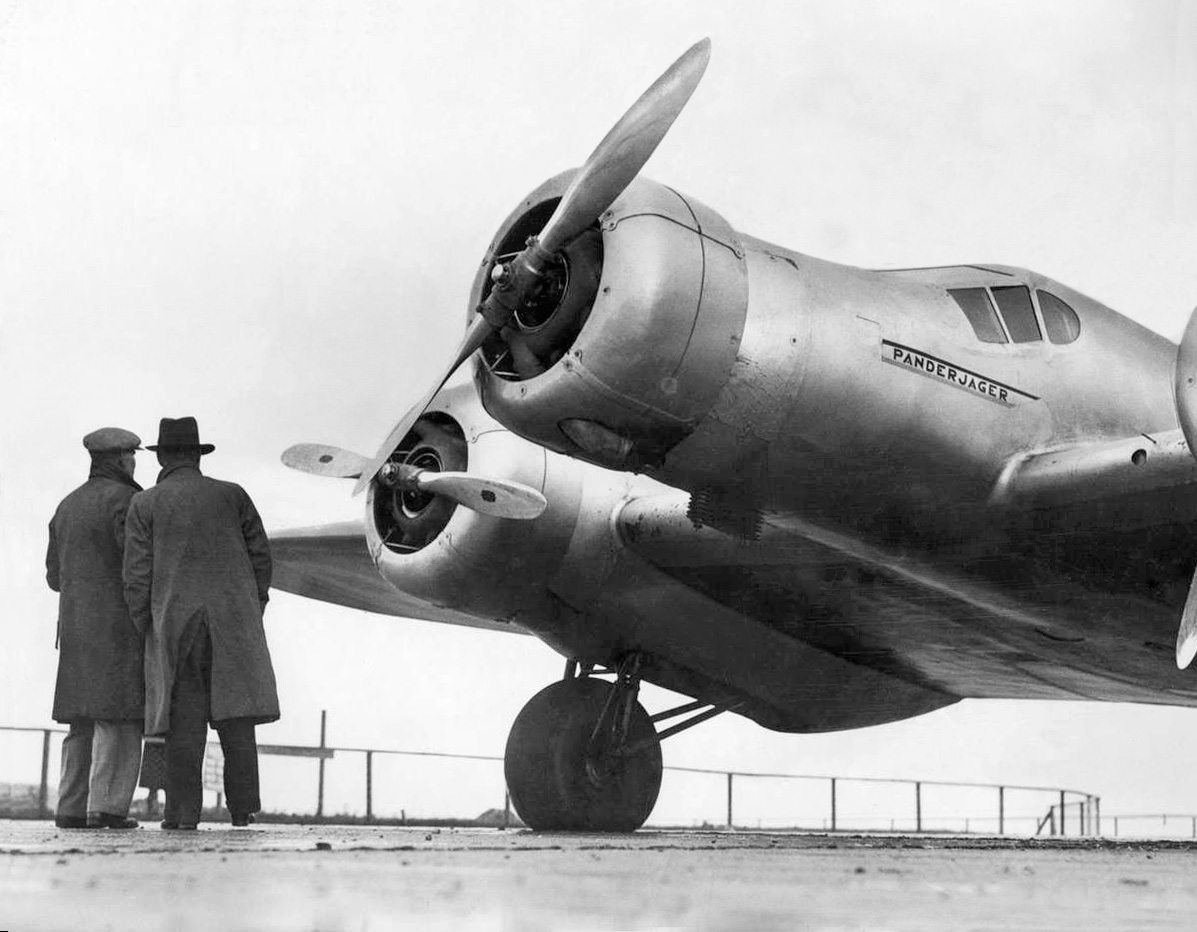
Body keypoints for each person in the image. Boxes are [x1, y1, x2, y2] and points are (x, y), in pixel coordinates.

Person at [122, 416, 279, 830]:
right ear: (195, 454)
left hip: (176, 628)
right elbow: (262, 558)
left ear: (165, 457)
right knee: (237, 721)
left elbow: (136, 577)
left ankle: (181, 815)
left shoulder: (146, 504)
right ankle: (243, 810)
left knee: (183, 726)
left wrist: (149, 626)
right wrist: (250, 606)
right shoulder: (233, 496)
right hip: (235, 623)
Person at [46, 427, 146, 830]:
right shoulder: (128, 501)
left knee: (80, 719)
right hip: (118, 628)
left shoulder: (66, 506)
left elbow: (54, 577)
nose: (135, 461)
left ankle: (70, 807)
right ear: (122, 459)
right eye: (132, 456)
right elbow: (136, 567)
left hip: (73, 630)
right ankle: (107, 808)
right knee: (118, 718)